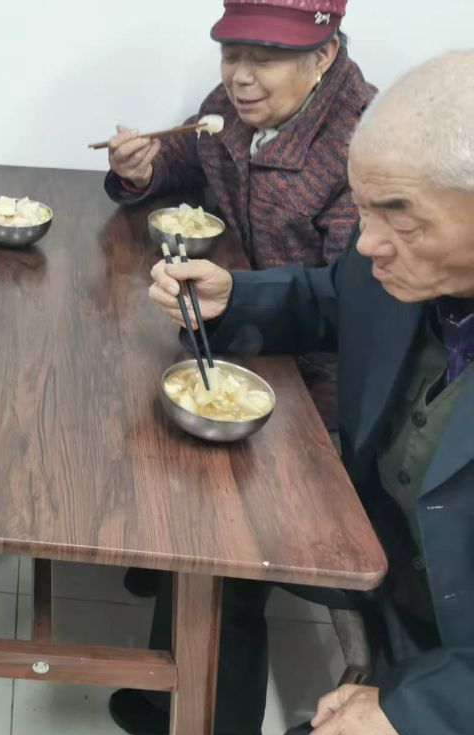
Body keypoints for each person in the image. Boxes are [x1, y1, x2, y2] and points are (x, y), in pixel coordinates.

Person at [146, 50, 474, 735]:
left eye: (399, 216)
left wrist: (425, 718)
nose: (368, 242)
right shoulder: (393, 260)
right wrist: (233, 298)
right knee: (213, 521)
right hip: (385, 558)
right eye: (362, 208)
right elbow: (333, 295)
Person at [104, 0, 374, 431]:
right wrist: (143, 170)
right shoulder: (232, 107)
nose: (240, 78)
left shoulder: (363, 147)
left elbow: (348, 302)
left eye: (264, 60)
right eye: (230, 55)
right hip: (230, 324)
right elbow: (189, 153)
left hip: (308, 383)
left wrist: (238, 299)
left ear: (324, 54)